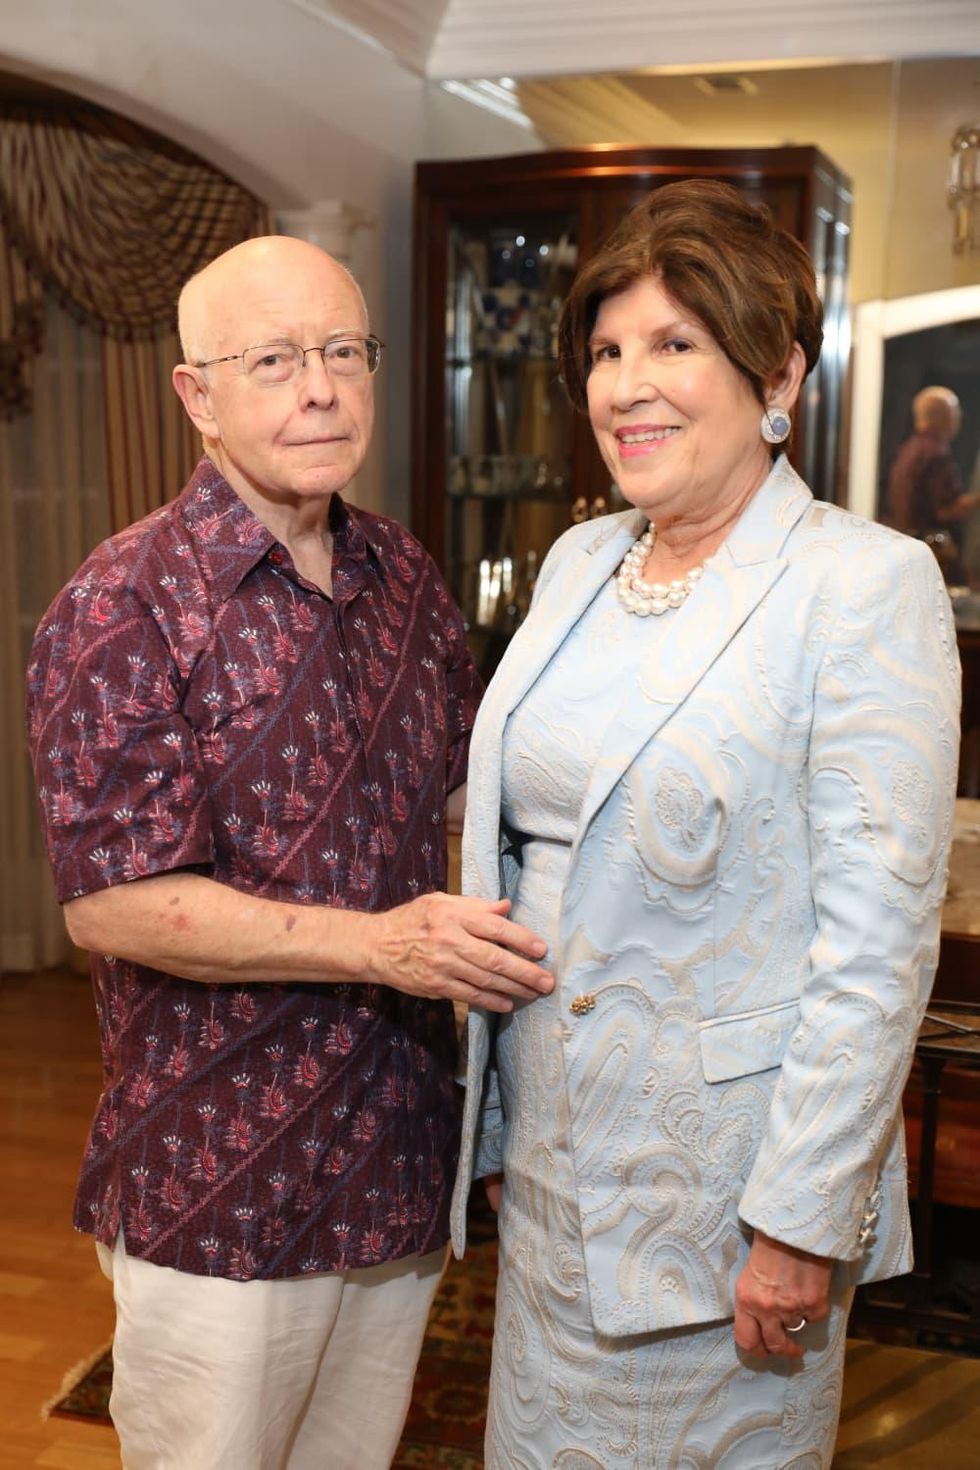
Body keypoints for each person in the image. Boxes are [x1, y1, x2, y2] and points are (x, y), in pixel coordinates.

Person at [451, 180, 960, 1469]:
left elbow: (875, 948)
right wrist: (501, 1128)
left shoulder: (863, 583)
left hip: (728, 1205)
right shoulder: (577, 562)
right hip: (557, 1165)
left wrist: (799, 1221)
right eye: (607, 352)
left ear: (774, 368)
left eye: (674, 345)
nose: (628, 386)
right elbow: (515, 854)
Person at [25, 234, 553, 1470]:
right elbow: (113, 906)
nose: (317, 387)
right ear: (196, 396)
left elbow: (479, 790)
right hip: (223, 1183)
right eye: (272, 359)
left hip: (396, 1153)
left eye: (340, 352)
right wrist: (380, 945)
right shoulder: (119, 607)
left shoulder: (406, 576)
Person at [887, 384, 980, 578]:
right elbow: (945, 510)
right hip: (930, 553)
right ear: (944, 416)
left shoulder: (909, 449)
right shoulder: (936, 453)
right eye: (956, 412)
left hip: (905, 548)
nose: (960, 418)